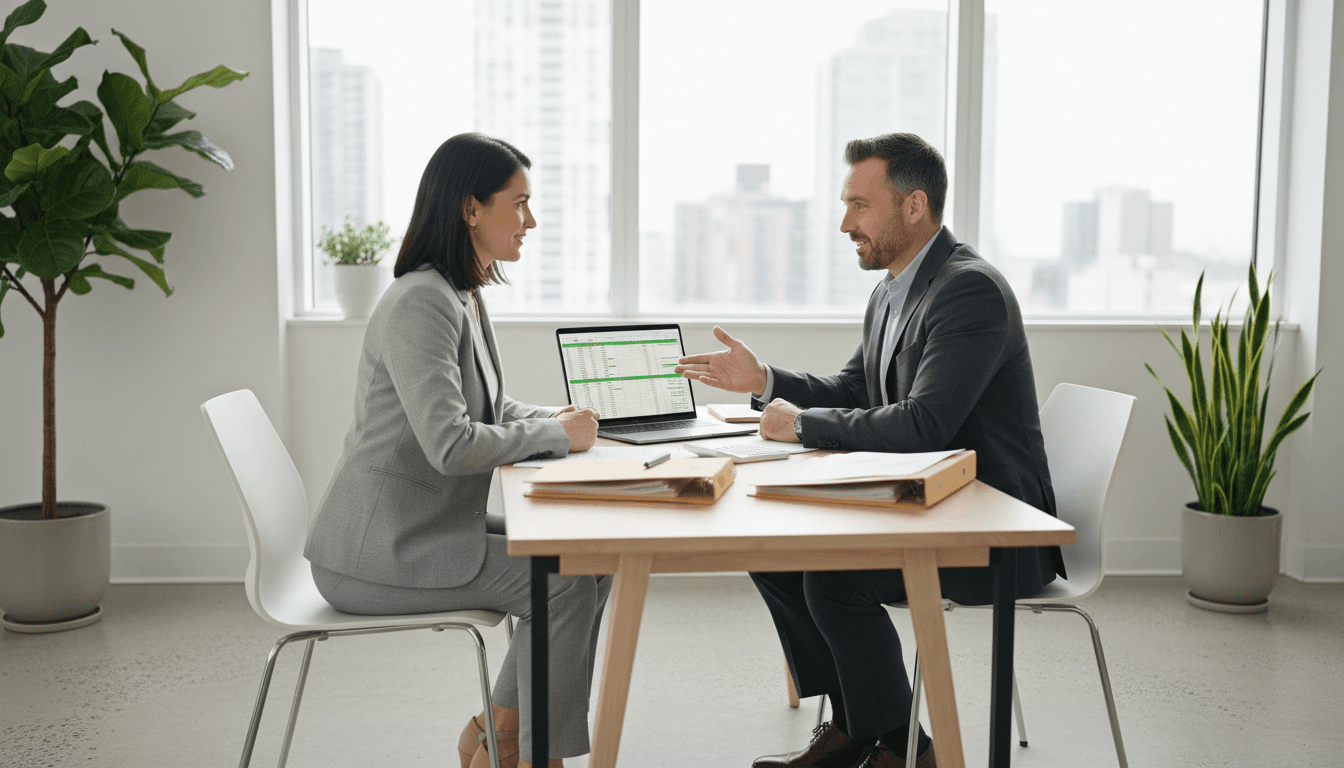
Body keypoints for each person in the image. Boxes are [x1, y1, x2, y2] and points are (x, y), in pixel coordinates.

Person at [675, 132, 1064, 768]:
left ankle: (903, 749)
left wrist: (802, 426)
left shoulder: (970, 292)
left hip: (991, 529)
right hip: (922, 504)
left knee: (833, 575)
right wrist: (765, 381)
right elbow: (858, 387)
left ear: (914, 206)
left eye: (860, 206)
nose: (843, 223)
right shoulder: (890, 290)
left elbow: (923, 426)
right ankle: (862, 730)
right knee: (772, 555)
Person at [304, 133, 610, 768]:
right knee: (566, 583)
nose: (531, 221)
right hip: (378, 551)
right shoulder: (422, 301)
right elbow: (450, 444)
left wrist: (557, 418)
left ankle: (499, 730)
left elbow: (486, 411)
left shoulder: (460, 293)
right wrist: (556, 437)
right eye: (519, 203)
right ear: (472, 208)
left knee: (589, 556)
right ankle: (527, 752)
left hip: (425, 527)